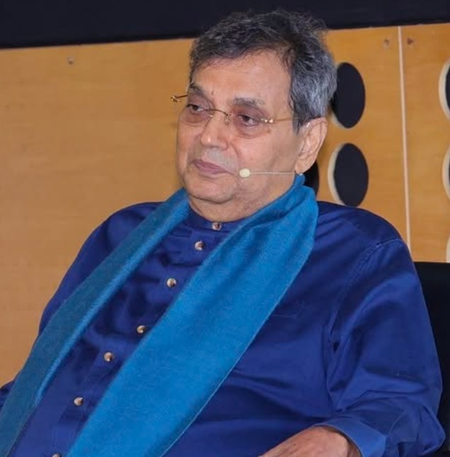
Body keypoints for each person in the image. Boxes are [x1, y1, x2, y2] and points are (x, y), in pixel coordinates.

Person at [0, 9, 444, 457]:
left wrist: (340, 439)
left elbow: (401, 407)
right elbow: (37, 388)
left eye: (246, 117)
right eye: (197, 108)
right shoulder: (122, 236)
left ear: (308, 142)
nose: (209, 136)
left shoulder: (353, 254)